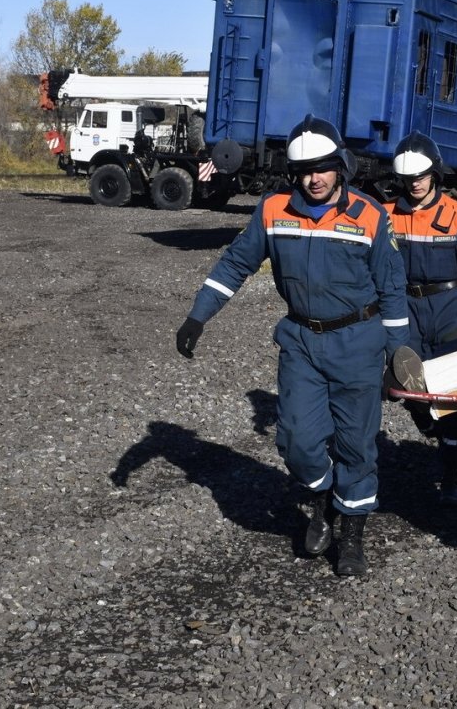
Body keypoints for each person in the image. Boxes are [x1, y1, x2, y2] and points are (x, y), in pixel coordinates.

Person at [175, 115, 409, 577]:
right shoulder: (273, 210)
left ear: (340, 166)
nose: (314, 179)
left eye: (322, 168)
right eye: (304, 171)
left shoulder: (370, 215)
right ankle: (323, 503)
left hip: (359, 343)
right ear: (292, 174)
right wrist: (198, 315)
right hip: (301, 341)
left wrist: (399, 353)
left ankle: (352, 538)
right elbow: (235, 264)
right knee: (298, 442)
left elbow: (393, 288)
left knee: (356, 445)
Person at [383, 132, 457, 507]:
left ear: (434, 173)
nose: (415, 183)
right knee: (405, 382)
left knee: (451, 396)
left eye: (422, 176)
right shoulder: (385, 215)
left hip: (449, 308)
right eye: (408, 178)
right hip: (404, 308)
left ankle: (450, 476)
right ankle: (425, 421)